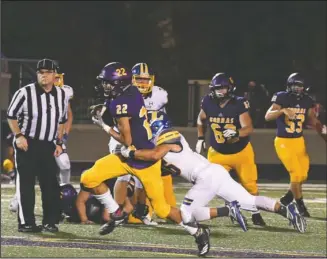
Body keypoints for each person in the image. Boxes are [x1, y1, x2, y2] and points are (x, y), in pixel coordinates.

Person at [80, 62, 210, 257]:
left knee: (163, 209)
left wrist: (103, 126)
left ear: (118, 84)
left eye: (108, 83)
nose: (105, 87)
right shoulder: (131, 91)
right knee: (88, 178)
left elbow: (126, 140)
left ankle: (198, 232)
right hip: (128, 156)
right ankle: (117, 212)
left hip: (144, 159)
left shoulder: (120, 103)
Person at [116, 111, 307, 233]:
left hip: (205, 177)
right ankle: (285, 209)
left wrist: (130, 151)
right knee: (249, 200)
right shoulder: (170, 138)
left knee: (185, 214)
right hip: (214, 172)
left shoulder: (167, 139)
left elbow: (154, 154)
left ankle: (227, 210)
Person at [6, 58, 68, 233]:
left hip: (48, 144)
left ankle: (50, 221)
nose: (44, 76)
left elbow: (62, 120)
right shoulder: (25, 93)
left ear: (55, 74)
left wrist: (59, 141)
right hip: (27, 144)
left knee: (50, 185)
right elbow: (11, 115)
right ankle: (27, 223)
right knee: (26, 184)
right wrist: (19, 136)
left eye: (48, 72)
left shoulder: (62, 94)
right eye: (41, 72)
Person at [196, 73, 266, 226]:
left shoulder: (239, 103)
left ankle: (255, 212)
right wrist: (201, 138)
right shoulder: (207, 101)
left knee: (250, 185)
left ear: (230, 88)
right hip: (217, 152)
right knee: (216, 184)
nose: (221, 91)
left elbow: (248, 128)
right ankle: (232, 209)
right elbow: (200, 119)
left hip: (240, 151)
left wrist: (236, 132)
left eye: (224, 88)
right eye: (218, 88)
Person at [111, 62, 174, 225]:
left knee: (142, 177)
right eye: (138, 79)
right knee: (123, 175)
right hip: (123, 136)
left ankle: (141, 212)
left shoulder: (160, 95)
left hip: (142, 138)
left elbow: (161, 120)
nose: (142, 83)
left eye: (146, 80)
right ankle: (116, 211)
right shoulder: (123, 93)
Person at [265, 72, 327, 217]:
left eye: (300, 86)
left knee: (303, 175)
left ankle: (287, 198)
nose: (297, 88)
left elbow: (313, 121)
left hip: (299, 141)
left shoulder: (307, 100)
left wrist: (324, 134)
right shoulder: (282, 97)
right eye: (294, 85)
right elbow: (267, 116)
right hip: (283, 141)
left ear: (304, 87)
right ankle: (300, 205)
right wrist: (282, 110)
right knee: (296, 174)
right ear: (289, 85)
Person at [54, 68, 74, 184]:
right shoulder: (38, 92)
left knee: (65, 165)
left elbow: (69, 114)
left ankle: (65, 188)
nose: (57, 81)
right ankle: (18, 199)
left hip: (56, 136)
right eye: (55, 78)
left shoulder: (66, 92)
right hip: (39, 135)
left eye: (58, 77)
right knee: (32, 168)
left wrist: (65, 134)